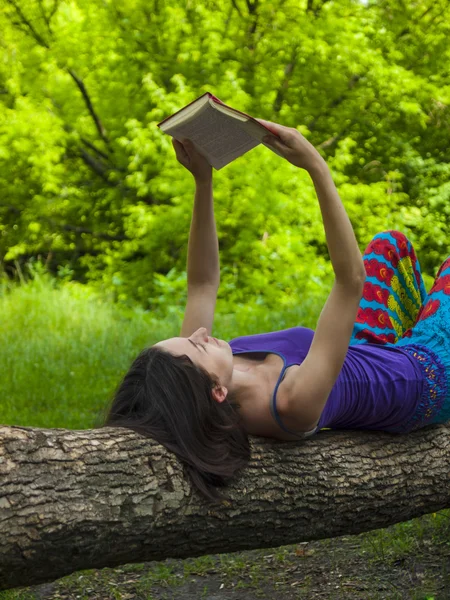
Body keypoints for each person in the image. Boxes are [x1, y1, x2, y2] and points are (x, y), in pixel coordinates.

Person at [102, 120, 450, 505]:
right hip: (427, 374)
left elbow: (202, 284)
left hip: (366, 347)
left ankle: (425, 312)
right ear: (216, 392)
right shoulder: (290, 403)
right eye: (195, 346)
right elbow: (350, 281)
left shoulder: (206, 371)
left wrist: (203, 181)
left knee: (390, 244)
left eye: (188, 338)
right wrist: (316, 166)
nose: (199, 334)